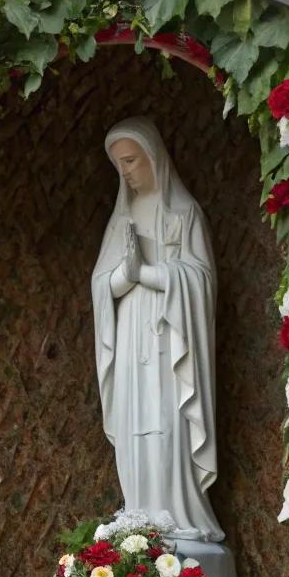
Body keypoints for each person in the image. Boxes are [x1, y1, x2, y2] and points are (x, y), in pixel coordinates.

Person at [91, 116, 225, 544]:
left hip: (171, 339)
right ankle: (139, 519)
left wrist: (147, 273)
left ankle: (179, 517)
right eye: (119, 165)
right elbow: (101, 284)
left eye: (131, 160)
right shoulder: (120, 220)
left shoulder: (183, 213)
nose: (126, 171)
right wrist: (124, 277)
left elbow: (202, 281)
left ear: (153, 158)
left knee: (169, 422)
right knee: (135, 424)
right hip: (130, 337)